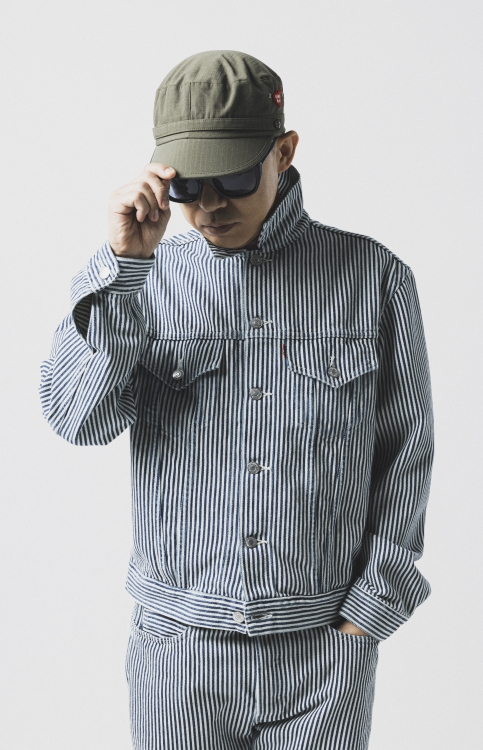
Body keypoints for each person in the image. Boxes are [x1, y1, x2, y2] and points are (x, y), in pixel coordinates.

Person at [39, 50, 434, 750]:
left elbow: (406, 454)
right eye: (189, 185)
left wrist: (364, 621)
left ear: (284, 151)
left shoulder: (373, 278)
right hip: (178, 657)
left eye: (233, 178)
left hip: (322, 655)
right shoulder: (142, 280)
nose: (211, 205)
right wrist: (124, 268)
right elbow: (78, 419)